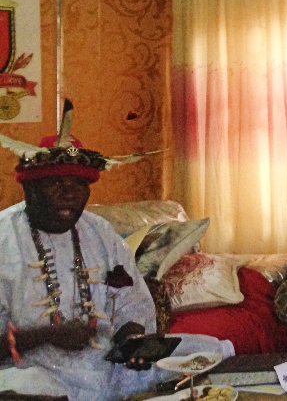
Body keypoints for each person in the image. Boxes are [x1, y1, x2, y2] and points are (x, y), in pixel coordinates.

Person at [0, 105, 232, 400]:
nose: (69, 192)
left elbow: (132, 305)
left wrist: (133, 343)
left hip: (106, 366)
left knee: (206, 351)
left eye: (79, 184)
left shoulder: (100, 232)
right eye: (56, 183)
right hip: (33, 372)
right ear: (29, 189)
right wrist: (47, 336)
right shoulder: (4, 238)